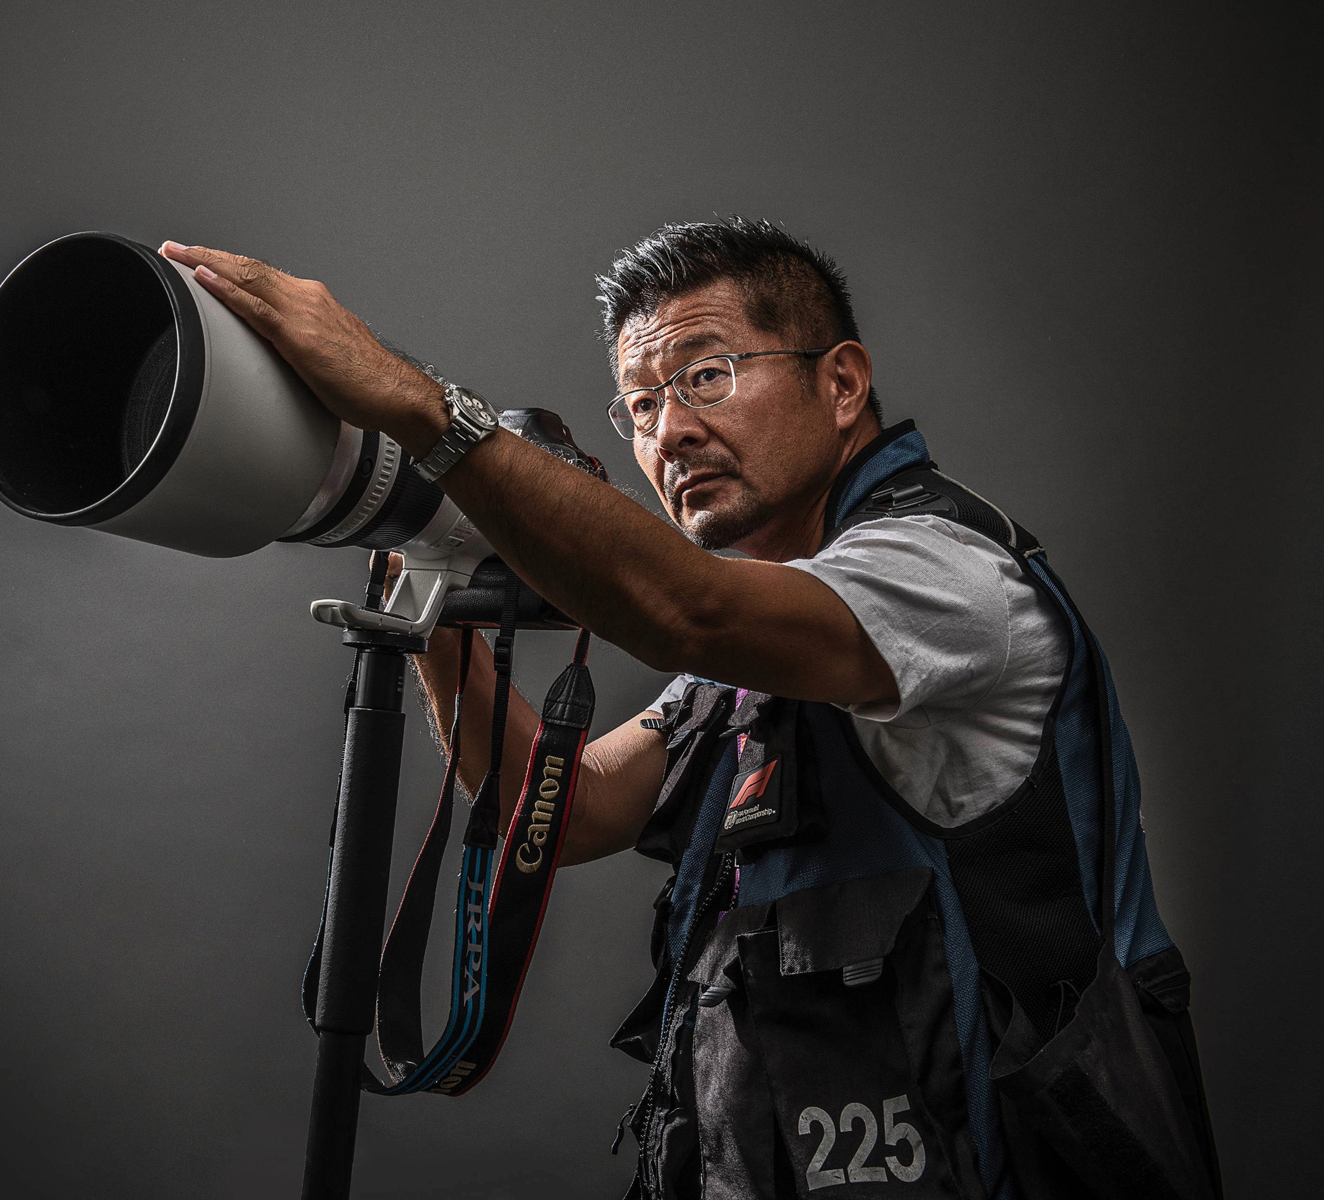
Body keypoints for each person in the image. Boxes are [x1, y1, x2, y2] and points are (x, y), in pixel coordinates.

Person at [160, 221, 1220, 1199]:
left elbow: (685, 608)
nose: (672, 430)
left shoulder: (943, 579)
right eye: (642, 404)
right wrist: (434, 585)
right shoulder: (770, 634)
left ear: (841, 383)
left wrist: (428, 417)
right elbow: (567, 810)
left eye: (706, 375)